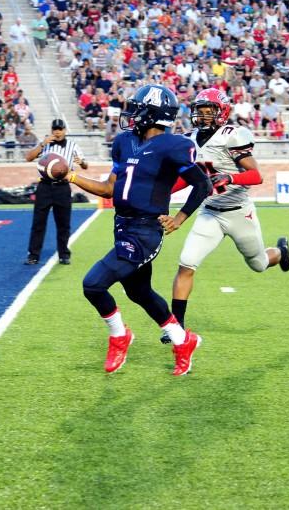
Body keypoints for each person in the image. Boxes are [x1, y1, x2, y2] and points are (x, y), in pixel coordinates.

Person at [67, 84, 212, 376]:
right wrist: (70, 176)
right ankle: (183, 341)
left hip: (146, 231)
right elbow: (109, 188)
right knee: (139, 292)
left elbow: (203, 184)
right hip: (122, 225)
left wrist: (180, 218)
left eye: (138, 108)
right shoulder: (125, 142)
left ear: (153, 113)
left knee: (93, 284)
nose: (132, 113)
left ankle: (119, 335)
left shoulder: (174, 145)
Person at [169, 88, 289, 339]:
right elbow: (188, 179)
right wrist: (163, 193)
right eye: (199, 112)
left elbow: (256, 176)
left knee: (258, 264)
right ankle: (175, 328)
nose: (202, 117)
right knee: (186, 264)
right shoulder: (189, 139)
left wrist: (231, 176)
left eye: (208, 112)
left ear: (221, 113)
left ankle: (280, 252)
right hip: (210, 213)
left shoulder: (232, 136)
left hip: (239, 212)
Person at [24, 118, 86, 266]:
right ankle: (33, 255)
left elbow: (85, 165)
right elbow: (28, 157)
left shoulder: (72, 146)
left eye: (60, 129)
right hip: (44, 186)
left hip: (62, 187)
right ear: (52, 130)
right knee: (38, 222)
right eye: (55, 129)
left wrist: (82, 162)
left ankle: (64, 254)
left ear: (65, 130)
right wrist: (42, 144)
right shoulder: (44, 145)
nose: (57, 132)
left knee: (63, 223)